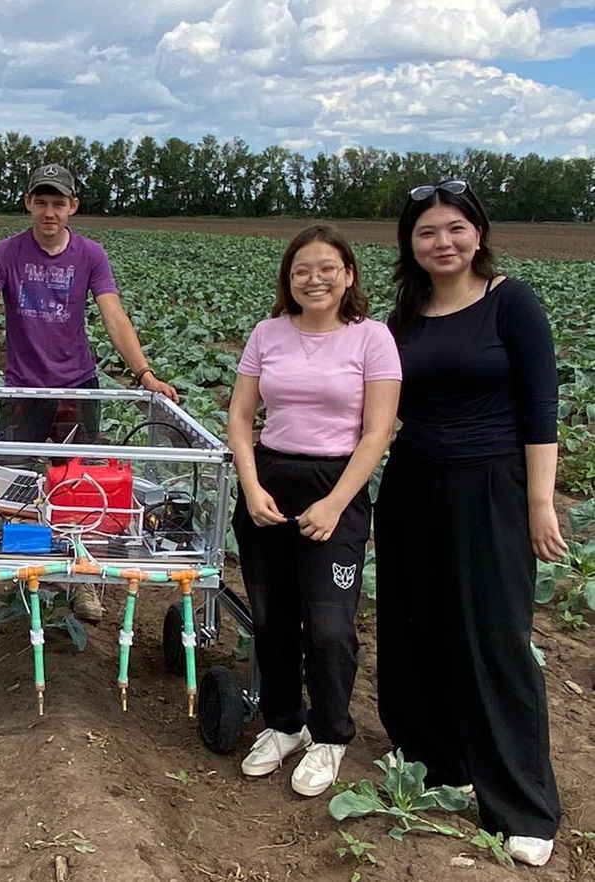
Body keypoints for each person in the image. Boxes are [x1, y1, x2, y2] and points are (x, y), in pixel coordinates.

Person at [375, 180, 564, 866]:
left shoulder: (509, 302)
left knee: (494, 637)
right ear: (410, 245)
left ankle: (522, 805)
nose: (442, 242)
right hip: (411, 486)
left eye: (454, 228)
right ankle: (436, 761)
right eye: (426, 232)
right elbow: (382, 410)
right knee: (413, 623)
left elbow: (539, 409)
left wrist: (537, 504)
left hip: (489, 487)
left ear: (477, 233)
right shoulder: (405, 315)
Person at [0, 162, 178, 625]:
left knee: (80, 489)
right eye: (41, 201)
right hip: (24, 386)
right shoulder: (5, 254)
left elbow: (114, 315)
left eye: (58, 203)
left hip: (78, 388)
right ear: (28, 203)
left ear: (73, 207)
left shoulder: (90, 255)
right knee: (2, 485)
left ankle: (81, 584)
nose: (49, 211)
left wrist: (144, 373)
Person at [227, 224, 401, 797]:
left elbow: (377, 432)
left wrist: (335, 502)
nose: (315, 278)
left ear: (348, 274)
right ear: (289, 278)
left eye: (328, 268)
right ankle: (283, 723)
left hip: (337, 486)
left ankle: (329, 735)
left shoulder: (372, 338)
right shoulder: (267, 333)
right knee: (273, 618)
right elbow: (241, 418)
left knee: (328, 626)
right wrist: (251, 488)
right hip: (271, 480)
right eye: (302, 269)